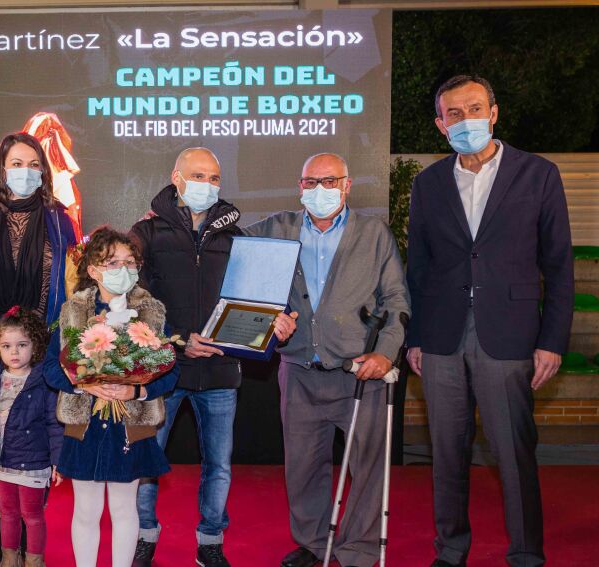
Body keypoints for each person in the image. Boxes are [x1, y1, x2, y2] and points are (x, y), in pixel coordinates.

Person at [407, 75, 574, 567]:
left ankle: (525, 552)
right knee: (447, 454)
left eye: (474, 108)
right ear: (441, 125)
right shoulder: (428, 182)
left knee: (513, 452)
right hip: (440, 336)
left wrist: (553, 340)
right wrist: (415, 336)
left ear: (494, 112)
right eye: (453, 114)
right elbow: (419, 265)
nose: (466, 120)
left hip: (512, 334)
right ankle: (451, 549)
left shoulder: (538, 174)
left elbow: (559, 265)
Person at [130, 147, 296, 567]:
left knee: (219, 465)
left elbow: (258, 301)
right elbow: (134, 302)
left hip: (221, 370)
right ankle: (143, 534)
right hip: (162, 370)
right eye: (199, 175)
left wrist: (273, 324)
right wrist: (176, 339)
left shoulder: (237, 236)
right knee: (146, 461)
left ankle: (210, 540)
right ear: (177, 178)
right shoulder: (146, 234)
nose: (208, 185)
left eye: (215, 178)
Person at [244, 153, 410, 567]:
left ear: (347, 185)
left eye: (330, 181)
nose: (320, 190)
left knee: (369, 466)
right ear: (300, 187)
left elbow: (396, 299)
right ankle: (316, 544)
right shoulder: (276, 229)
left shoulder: (374, 233)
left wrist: (386, 352)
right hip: (298, 371)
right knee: (302, 467)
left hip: (360, 373)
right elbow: (229, 258)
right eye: (311, 183)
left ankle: (358, 550)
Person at [0, 132, 78, 567]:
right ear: (2, 169)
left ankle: (31, 525)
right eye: (15, 163)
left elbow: (69, 283)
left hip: (43, 346)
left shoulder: (60, 222)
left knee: (34, 436)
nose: (24, 171)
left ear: (43, 171)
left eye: (32, 163)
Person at [43, 227, 178, 567]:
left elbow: (170, 370)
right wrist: (83, 384)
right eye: (113, 262)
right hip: (85, 423)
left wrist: (137, 389)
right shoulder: (72, 310)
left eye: (129, 262)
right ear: (93, 270)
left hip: (131, 425)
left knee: (123, 507)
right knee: (86, 509)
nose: (123, 269)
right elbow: (51, 368)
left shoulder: (152, 311)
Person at [0, 307, 63, 567]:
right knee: (6, 513)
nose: (14, 352)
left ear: (36, 345)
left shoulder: (43, 382)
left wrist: (58, 461)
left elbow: (54, 424)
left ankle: (34, 561)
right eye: (6, 346)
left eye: (22, 345)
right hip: (0, 461)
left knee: (32, 515)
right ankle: (9, 559)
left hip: (32, 463)